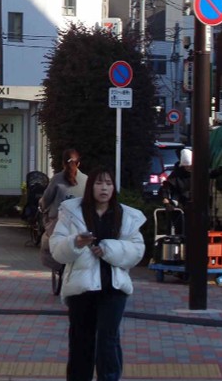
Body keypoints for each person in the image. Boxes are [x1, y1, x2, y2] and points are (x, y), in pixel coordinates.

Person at [49, 166, 146, 381]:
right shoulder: (71, 212)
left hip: (114, 288)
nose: (104, 188)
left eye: (109, 184)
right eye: (99, 183)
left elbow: (137, 250)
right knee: (80, 341)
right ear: (90, 186)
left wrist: (109, 249)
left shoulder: (126, 215)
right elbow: (56, 249)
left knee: (108, 340)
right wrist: (75, 242)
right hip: (81, 287)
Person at [39, 149, 87, 271]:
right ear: (79, 164)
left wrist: (43, 207)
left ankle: (57, 268)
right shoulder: (86, 179)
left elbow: (46, 199)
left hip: (58, 222)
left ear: (63, 163)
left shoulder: (57, 179)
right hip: (80, 223)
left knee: (47, 242)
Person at [161, 148, 192, 235]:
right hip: (181, 205)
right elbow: (166, 188)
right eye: (187, 166)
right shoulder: (176, 175)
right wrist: (167, 202)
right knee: (180, 227)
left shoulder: (199, 172)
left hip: (197, 205)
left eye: (190, 166)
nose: (189, 168)